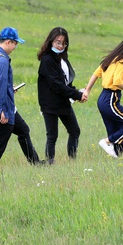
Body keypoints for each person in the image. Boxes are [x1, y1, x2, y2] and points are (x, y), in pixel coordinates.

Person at [0, 26, 43, 169]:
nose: (15, 47)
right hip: (2, 108)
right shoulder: (2, 60)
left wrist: (9, 90)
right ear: (8, 42)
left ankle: (36, 163)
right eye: (15, 43)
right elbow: (0, 84)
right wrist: (2, 109)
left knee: (23, 130)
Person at [83, 33, 123, 158]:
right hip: (111, 99)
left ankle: (116, 155)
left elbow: (96, 74)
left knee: (116, 130)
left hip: (102, 99)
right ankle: (106, 141)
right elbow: (117, 82)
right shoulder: (121, 63)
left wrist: (87, 90)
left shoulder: (111, 59)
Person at [37, 27, 88, 164]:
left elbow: (65, 82)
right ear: (51, 42)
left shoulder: (63, 59)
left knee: (74, 131)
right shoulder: (47, 60)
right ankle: (50, 162)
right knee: (52, 135)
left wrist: (77, 93)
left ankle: (72, 161)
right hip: (50, 104)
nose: (60, 46)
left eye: (64, 43)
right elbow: (56, 85)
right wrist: (76, 95)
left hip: (63, 102)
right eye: (58, 42)